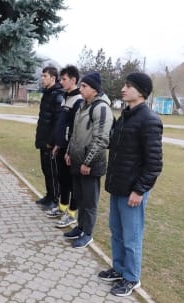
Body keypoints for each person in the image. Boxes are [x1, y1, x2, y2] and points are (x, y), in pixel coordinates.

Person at [98, 72, 163, 296]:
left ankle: (132, 278)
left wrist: (139, 190)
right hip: (118, 187)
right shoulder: (125, 115)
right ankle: (118, 268)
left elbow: (154, 164)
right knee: (116, 231)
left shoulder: (150, 120)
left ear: (141, 91)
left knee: (132, 237)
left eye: (128, 86)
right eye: (124, 85)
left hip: (132, 192)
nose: (123, 89)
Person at [64, 72, 114, 248]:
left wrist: (88, 162)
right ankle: (80, 227)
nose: (81, 89)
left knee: (90, 201)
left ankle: (88, 234)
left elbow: (101, 139)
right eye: (81, 85)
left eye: (84, 86)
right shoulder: (82, 105)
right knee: (80, 197)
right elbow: (75, 133)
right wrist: (69, 152)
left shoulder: (101, 108)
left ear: (94, 89)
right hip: (77, 161)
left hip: (90, 165)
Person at [49, 65, 83, 226]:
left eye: (64, 79)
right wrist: (58, 144)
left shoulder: (79, 100)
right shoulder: (66, 97)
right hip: (61, 146)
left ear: (73, 80)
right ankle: (62, 208)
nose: (61, 82)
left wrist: (69, 149)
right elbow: (62, 124)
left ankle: (72, 213)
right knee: (62, 179)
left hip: (72, 149)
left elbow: (75, 128)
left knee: (72, 182)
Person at [35, 66, 65, 213]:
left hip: (49, 142)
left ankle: (54, 200)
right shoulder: (47, 93)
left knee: (52, 171)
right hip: (43, 139)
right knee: (45, 169)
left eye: (45, 76)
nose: (42, 78)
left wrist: (51, 141)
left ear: (53, 78)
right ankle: (48, 196)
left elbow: (58, 122)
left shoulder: (58, 95)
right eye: (42, 76)